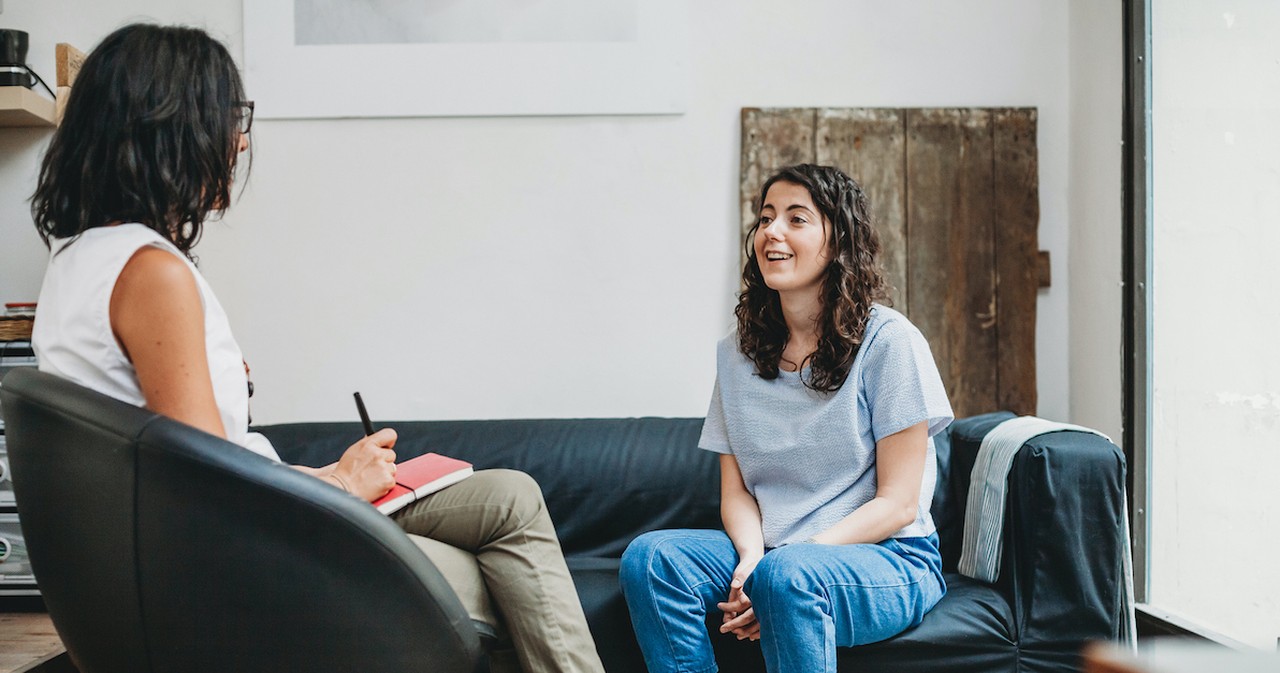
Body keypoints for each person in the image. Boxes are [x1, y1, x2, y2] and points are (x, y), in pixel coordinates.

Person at [29, 23, 603, 673]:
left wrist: (334, 476)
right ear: (171, 125)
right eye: (230, 117)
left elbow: (196, 458)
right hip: (246, 560)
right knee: (498, 575)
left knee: (512, 496)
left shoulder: (77, 261)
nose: (240, 140)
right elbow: (203, 496)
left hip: (245, 530)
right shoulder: (150, 272)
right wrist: (344, 490)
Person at [619, 164, 954, 673]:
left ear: (837, 241)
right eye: (767, 217)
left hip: (889, 557)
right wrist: (753, 559)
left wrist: (779, 568)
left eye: (797, 219)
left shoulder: (890, 342)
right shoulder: (736, 355)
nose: (772, 231)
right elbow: (736, 493)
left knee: (789, 576)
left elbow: (899, 504)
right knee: (652, 559)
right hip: (777, 554)